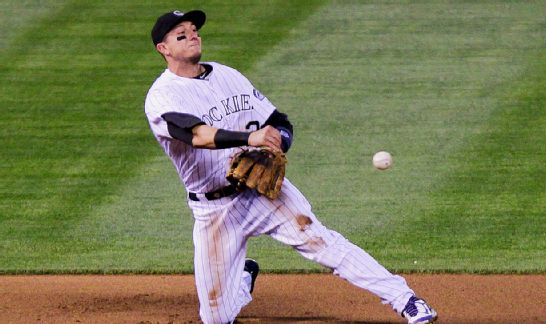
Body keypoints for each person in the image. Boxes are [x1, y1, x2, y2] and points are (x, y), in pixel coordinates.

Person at [145, 9, 438, 324]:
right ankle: (242, 277)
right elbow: (198, 136)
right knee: (216, 319)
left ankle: (407, 300)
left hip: (260, 191)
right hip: (213, 211)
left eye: (194, 30)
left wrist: (276, 145)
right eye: (181, 34)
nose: (192, 35)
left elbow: (278, 123)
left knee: (319, 240)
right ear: (164, 49)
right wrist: (251, 137)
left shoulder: (227, 75)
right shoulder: (163, 97)